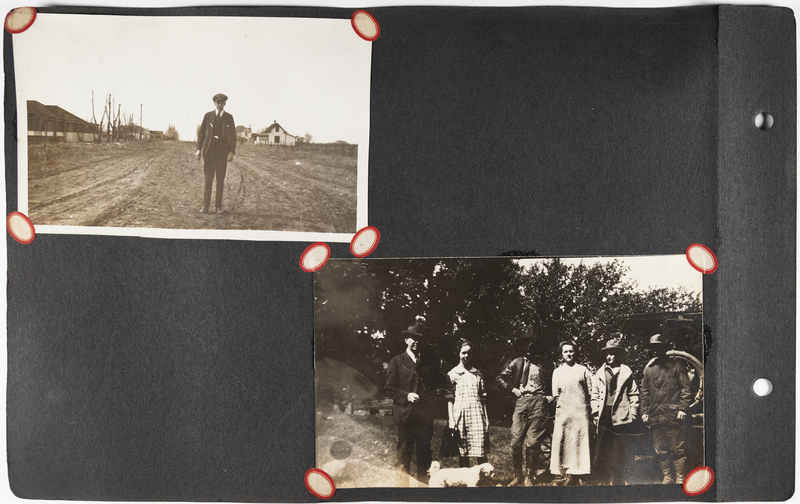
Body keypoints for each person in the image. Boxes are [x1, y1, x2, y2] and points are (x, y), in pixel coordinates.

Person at [384, 322, 439, 484]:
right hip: (405, 414)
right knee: (404, 455)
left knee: (424, 454)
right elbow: (388, 388)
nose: (416, 342)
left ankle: (423, 491)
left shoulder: (427, 364)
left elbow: (433, 388)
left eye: (419, 339)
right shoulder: (396, 361)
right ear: (406, 340)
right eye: (413, 338)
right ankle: (403, 492)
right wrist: (406, 395)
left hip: (424, 417)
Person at [497, 341, 553, 486]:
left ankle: (530, 475)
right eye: (527, 349)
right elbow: (500, 378)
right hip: (522, 401)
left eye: (533, 349)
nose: (530, 352)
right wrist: (513, 389)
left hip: (539, 402)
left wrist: (551, 395)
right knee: (516, 441)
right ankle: (517, 476)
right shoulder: (516, 362)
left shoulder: (545, 364)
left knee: (533, 442)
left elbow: (554, 380)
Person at [640, 333, 693, 485]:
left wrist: (683, 408)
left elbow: (686, 389)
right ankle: (667, 477)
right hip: (655, 415)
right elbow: (644, 392)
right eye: (653, 348)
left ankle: (680, 477)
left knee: (677, 447)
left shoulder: (677, 366)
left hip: (673, 415)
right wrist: (644, 411)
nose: (656, 351)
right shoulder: (649, 369)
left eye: (659, 347)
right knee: (660, 448)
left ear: (665, 348)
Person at [590, 338, 639, 485]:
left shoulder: (626, 371)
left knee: (619, 446)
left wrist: (634, 410)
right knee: (604, 445)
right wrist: (594, 412)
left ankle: (620, 477)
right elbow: (595, 394)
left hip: (621, 413)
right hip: (604, 413)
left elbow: (633, 393)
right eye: (607, 354)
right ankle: (605, 476)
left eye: (612, 354)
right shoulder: (600, 372)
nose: (608, 357)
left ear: (618, 354)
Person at [550, 341, 593, 485]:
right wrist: (561, 410)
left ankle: (579, 472)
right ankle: (562, 472)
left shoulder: (583, 370)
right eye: (565, 352)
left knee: (579, 441)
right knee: (563, 441)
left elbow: (590, 392)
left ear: (575, 352)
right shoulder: (557, 371)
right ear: (561, 354)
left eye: (571, 351)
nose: (568, 354)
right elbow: (555, 394)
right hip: (564, 411)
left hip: (580, 411)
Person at [445, 339, 489, 468]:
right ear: (458, 353)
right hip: (461, 414)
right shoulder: (452, 374)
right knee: (463, 451)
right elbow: (449, 399)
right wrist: (451, 420)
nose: (466, 356)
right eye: (464, 353)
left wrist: (486, 418)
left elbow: (483, 398)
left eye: (469, 353)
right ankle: (464, 482)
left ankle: (485, 481)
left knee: (481, 450)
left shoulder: (478, 374)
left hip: (477, 414)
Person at [196, 93, 236, 214]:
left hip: (222, 155)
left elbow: (233, 136)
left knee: (220, 180)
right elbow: (202, 134)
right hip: (209, 154)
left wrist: (231, 152)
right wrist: (198, 149)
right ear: (214, 103)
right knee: (208, 180)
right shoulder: (208, 116)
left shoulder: (229, 118)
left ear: (225, 104)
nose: (219, 105)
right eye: (217, 103)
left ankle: (218, 207)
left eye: (221, 103)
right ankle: (206, 206)